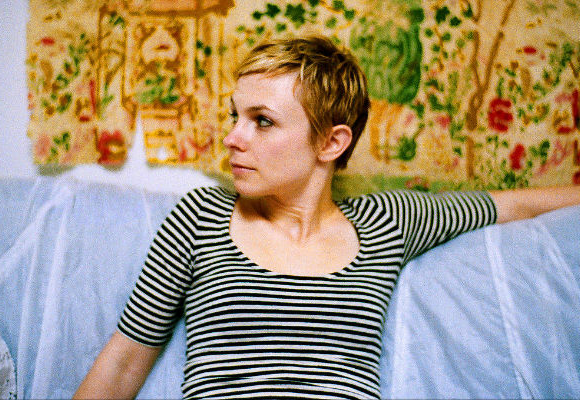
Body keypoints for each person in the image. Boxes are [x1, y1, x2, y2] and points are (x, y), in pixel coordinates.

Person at [74, 35, 580, 399]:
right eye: (235, 115)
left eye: (262, 121)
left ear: (331, 142)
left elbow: (515, 205)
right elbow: (123, 361)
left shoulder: (386, 222)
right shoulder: (201, 215)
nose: (232, 138)